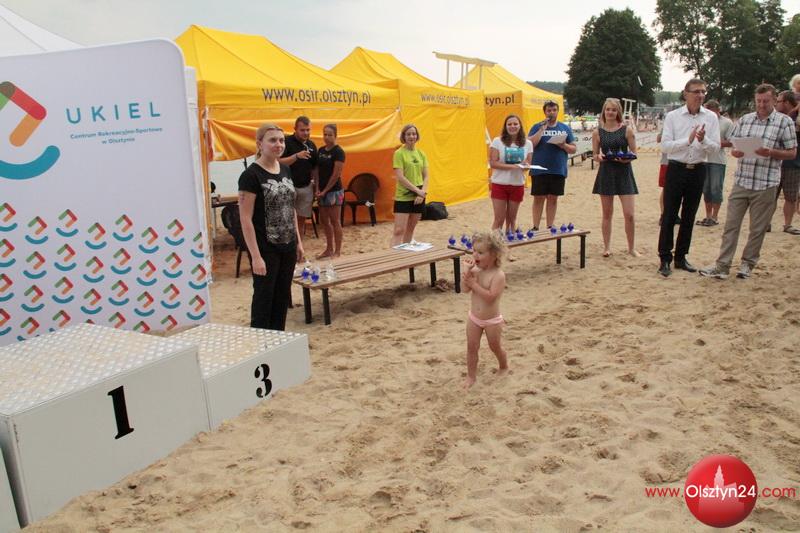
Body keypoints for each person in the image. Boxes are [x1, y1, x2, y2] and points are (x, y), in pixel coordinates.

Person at [700, 84, 797, 280]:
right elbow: (735, 145)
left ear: (774, 100)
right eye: (758, 101)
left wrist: (771, 152)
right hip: (742, 180)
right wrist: (737, 152)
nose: (761, 105)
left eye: (766, 101)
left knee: (757, 228)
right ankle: (722, 265)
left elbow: (792, 152)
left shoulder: (784, 122)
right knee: (731, 225)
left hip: (766, 182)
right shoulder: (745, 120)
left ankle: (747, 264)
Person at [239, 124, 305, 331]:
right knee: (264, 298)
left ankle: (278, 339)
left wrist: (298, 242)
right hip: (265, 248)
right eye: (273, 140)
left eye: (281, 140)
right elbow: (245, 219)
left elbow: (291, 208)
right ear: (260, 144)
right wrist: (256, 256)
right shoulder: (251, 175)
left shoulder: (285, 169)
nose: (279, 144)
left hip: (288, 245)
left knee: (282, 297)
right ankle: (261, 342)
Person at [657, 78, 721, 277]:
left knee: (689, 215)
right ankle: (665, 258)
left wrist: (703, 140)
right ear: (686, 94)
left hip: (698, 169)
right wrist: (688, 140)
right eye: (696, 91)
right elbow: (665, 146)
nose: (700, 95)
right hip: (677, 168)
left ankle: (681, 256)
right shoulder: (673, 117)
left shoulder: (711, 117)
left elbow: (716, 148)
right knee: (669, 214)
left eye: (703, 92)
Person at [591, 98, 641, 257]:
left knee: (629, 214)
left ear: (618, 112)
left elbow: (634, 153)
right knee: (607, 213)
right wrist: (598, 157)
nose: (610, 112)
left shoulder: (627, 130)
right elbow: (595, 154)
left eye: (613, 110)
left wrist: (627, 159)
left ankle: (631, 248)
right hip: (606, 172)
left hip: (624, 172)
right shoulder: (597, 132)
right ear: (604, 111)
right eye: (608, 109)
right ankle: (607, 247)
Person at [462, 231, 508, 389]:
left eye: (481, 252)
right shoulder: (475, 271)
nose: (475, 255)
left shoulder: (498, 275)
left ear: (494, 254)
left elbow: (490, 297)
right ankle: (471, 376)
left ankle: (503, 365)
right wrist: (467, 272)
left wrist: (474, 284)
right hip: (474, 318)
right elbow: (464, 290)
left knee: (494, 346)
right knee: (471, 347)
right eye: (474, 250)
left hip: (492, 321)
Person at [528, 100, 577, 230]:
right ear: (544, 112)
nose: (551, 113)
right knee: (538, 198)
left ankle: (550, 225)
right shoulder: (537, 126)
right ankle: (535, 226)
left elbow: (573, 149)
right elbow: (530, 144)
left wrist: (563, 145)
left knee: (553, 198)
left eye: (554, 110)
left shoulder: (564, 128)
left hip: (557, 169)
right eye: (549, 110)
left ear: (558, 111)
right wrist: (541, 130)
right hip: (539, 169)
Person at [489, 114, 533, 233]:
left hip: (517, 184)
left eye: (515, 124)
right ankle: (493, 242)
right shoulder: (497, 141)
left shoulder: (528, 143)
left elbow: (528, 164)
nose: (512, 126)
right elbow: (493, 163)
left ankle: (510, 241)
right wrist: (514, 167)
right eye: (509, 124)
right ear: (505, 126)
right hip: (499, 184)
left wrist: (525, 165)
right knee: (499, 219)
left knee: (512, 220)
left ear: (520, 126)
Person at [696, 100, 734, 227]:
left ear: (717, 110)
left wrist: (713, 143)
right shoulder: (703, 120)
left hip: (718, 160)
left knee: (716, 188)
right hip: (703, 159)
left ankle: (715, 216)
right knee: (706, 189)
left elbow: (731, 141)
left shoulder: (727, 123)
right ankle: (708, 215)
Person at [279, 116, 318, 239]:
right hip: (288, 186)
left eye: (308, 130)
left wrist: (316, 186)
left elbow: (315, 168)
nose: (305, 133)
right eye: (302, 130)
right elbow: (277, 162)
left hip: (306, 187)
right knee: (286, 220)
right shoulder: (285, 142)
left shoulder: (311, 145)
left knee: (301, 220)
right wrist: (296, 156)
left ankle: (299, 247)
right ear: (295, 129)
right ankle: (288, 246)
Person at [391, 124, 429, 246]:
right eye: (408, 134)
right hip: (404, 195)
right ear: (404, 136)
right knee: (399, 230)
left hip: (419, 196)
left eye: (414, 134)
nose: (411, 136)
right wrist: (418, 191)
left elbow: (426, 176)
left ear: (417, 136)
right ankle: (394, 255)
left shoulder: (421, 154)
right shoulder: (399, 153)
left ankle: (406, 254)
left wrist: (422, 193)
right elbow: (400, 177)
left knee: (410, 229)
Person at [315, 124, 346, 256]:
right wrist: (317, 188)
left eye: (330, 135)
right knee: (324, 221)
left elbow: (336, 174)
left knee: (335, 221)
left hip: (334, 190)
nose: (327, 137)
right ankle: (329, 248)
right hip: (321, 190)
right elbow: (316, 170)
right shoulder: (321, 150)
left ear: (335, 136)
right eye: (325, 134)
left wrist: (325, 191)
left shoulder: (338, 152)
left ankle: (337, 251)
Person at [775, 91, 800, 234]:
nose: (776, 104)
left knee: (791, 196)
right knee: (770, 196)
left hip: (793, 163)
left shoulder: (796, 118)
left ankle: (787, 224)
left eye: (778, 101)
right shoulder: (775, 118)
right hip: (775, 162)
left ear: (786, 103)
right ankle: (765, 223)